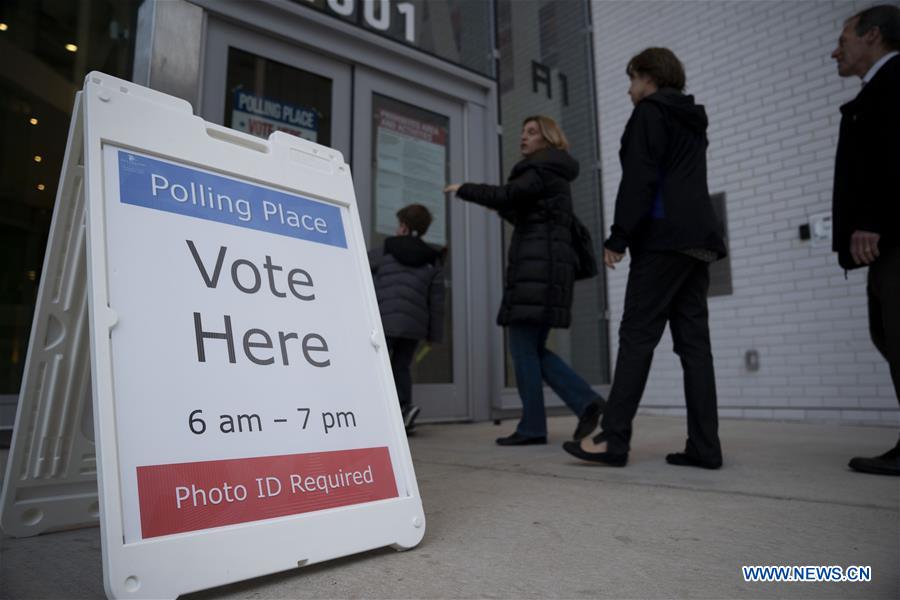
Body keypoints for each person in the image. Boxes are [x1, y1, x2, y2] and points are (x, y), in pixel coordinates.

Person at [563, 48, 726, 468]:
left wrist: (619, 236)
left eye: (632, 78)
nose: (630, 89)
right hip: (699, 240)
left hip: (664, 239)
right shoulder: (691, 119)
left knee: (637, 336)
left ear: (650, 77)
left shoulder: (650, 114)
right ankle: (706, 447)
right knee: (694, 346)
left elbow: (641, 178)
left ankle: (613, 440)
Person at [445, 115, 605, 446]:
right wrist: (502, 207)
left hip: (537, 272)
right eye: (523, 132)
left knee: (523, 349)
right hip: (547, 271)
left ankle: (539, 424)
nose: (523, 137)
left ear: (547, 139)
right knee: (531, 349)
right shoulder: (553, 173)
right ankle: (584, 403)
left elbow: (508, 196)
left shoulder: (540, 168)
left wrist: (465, 190)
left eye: (531, 133)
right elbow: (529, 212)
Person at [830, 5, 900, 476]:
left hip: (893, 234)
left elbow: (895, 154)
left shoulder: (896, 83)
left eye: (845, 38)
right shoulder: (879, 87)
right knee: (888, 334)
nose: (836, 49)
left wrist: (873, 219)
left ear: (872, 36)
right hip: (888, 241)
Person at [369, 204, 445, 435]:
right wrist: (434, 335)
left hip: (385, 319)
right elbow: (437, 301)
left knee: (376, 365)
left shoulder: (387, 249)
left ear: (403, 226)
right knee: (401, 366)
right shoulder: (433, 259)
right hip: (414, 325)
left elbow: (361, 267)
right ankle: (403, 409)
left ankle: (374, 412)